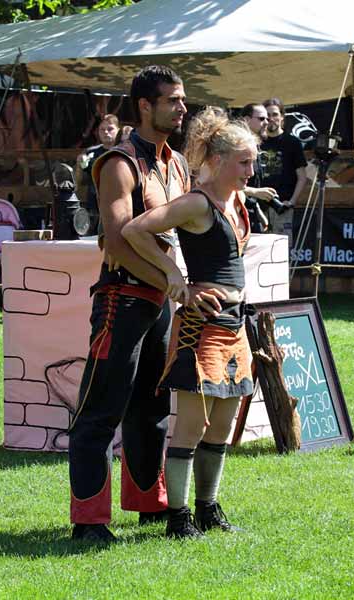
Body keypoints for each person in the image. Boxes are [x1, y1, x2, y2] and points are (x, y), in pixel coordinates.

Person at [67, 65, 225, 543]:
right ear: (144, 105)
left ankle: (148, 505)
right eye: (172, 100)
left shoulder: (174, 162)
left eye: (182, 99)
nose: (182, 108)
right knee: (100, 409)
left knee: (151, 409)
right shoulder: (119, 162)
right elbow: (117, 240)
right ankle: (89, 522)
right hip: (121, 298)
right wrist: (173, 281)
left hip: (160, 301)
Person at [122, 108, 256, 538]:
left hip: (234, 324)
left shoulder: (235, 199)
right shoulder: (197, 203)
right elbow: (135, 230)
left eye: (253, 162)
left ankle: (207, 508)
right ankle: (178, 518)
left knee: (223, 424)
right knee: (191, 426)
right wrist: (174, 276)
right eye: (244, 163)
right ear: (217, 160)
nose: (250, 171)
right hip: (202, 327)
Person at [260, 97, 309, 242]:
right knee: (258, 250)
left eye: (275, 114)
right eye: (267, 115)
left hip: (282, 206)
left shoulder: (292, 142)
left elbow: (302, 177)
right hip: (259, 207)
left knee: (281, 249)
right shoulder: (256, 141)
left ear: (282, 117)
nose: (271, 118)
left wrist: (292, 201)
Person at [76, 114, 121, 219]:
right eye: (102, 129)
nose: (106, 132)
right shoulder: (90, 152)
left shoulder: (124, 151)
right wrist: (79, 165)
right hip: (95, 206)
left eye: (110, 129)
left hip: (119, 203)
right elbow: (79, 180)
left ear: (118, 130)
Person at [239, 103, 274, 232]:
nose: (266, 122)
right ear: (246, 120)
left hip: (251, 214)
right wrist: (255, 192)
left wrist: (258, 211)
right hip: (236, 215)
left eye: (267, 119)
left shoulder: (255, 145)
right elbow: (226, 183)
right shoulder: (236, 146)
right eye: (261, 119)